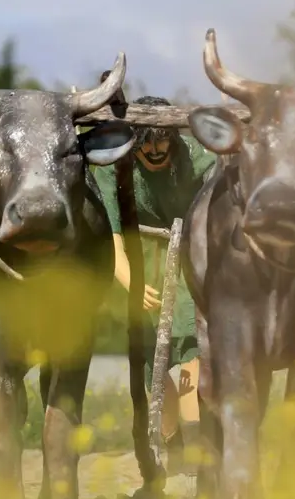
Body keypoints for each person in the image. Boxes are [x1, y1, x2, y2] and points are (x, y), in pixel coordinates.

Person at [92, 96, 218, 476]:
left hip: (189, 260)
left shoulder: (194, 155)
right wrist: (130, 281)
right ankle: (170, 445)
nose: (155, 150)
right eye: (146, 143)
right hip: (139, 262)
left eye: (162, 140)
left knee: (193, 347)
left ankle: (198, 446)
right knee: (152, 364)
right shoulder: (113, 164)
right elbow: (111, 236)